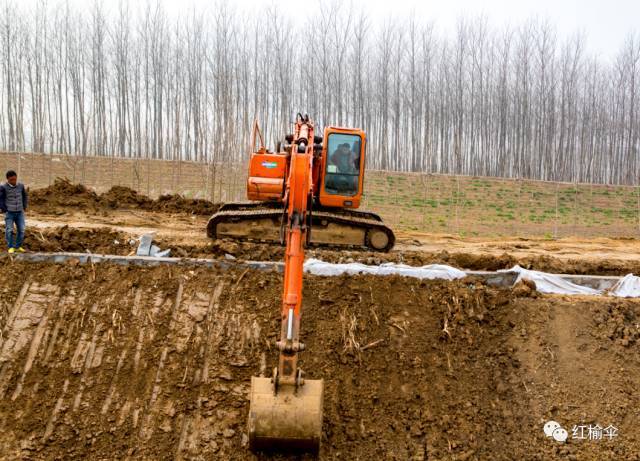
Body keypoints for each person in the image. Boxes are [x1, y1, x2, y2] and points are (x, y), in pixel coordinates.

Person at [0, 170, 28, 253]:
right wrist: (3, 208)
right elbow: (0, 199)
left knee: (22, 230)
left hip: (20, 212)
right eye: (11, 180)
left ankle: (18, 246)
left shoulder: (21, 186)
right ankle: (10, 247)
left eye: (15, 179)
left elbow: (24, 196)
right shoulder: (3, 187)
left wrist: (24, 206)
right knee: (9, 230)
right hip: (10, 213)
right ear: (7, 179)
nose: (14, 181)